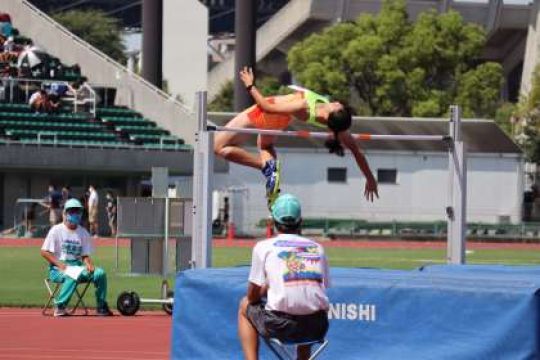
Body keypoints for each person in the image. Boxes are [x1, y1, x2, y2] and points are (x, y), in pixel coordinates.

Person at [214, 67, 379, 207]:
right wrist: (370, 178)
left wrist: (250, 86)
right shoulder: (337, 126)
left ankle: (264, 166)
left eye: (338, 107)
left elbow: (267, 107)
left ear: (331, 114)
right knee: (265, 147)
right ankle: (270, 169)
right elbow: (357, 152)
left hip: (266, 113)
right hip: (279, 120)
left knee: (217, 147)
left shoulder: (304, 107)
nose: (338, 103)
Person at [238, 194, 330, 360]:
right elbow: (315, 288)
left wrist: (265, 289)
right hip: (317, 327)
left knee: (244, 305)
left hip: (280, 326)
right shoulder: (318, 248)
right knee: (308, 306)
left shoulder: (263, 247)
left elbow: (252, 296)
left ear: (273, 222)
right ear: (300, 221)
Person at [40, 198, 113, 317]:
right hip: (58, 269)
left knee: (100, 273)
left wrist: (88, 263)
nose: (76, 214)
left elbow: (84, 255)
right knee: (72, 274)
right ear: (65, 213)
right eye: (72, 211)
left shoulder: (83, 232)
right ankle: (60, 307)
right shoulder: (56, 230)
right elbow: (44, 252)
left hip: (78, 267)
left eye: (78, 211)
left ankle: (101, 306)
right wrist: (60, 264)